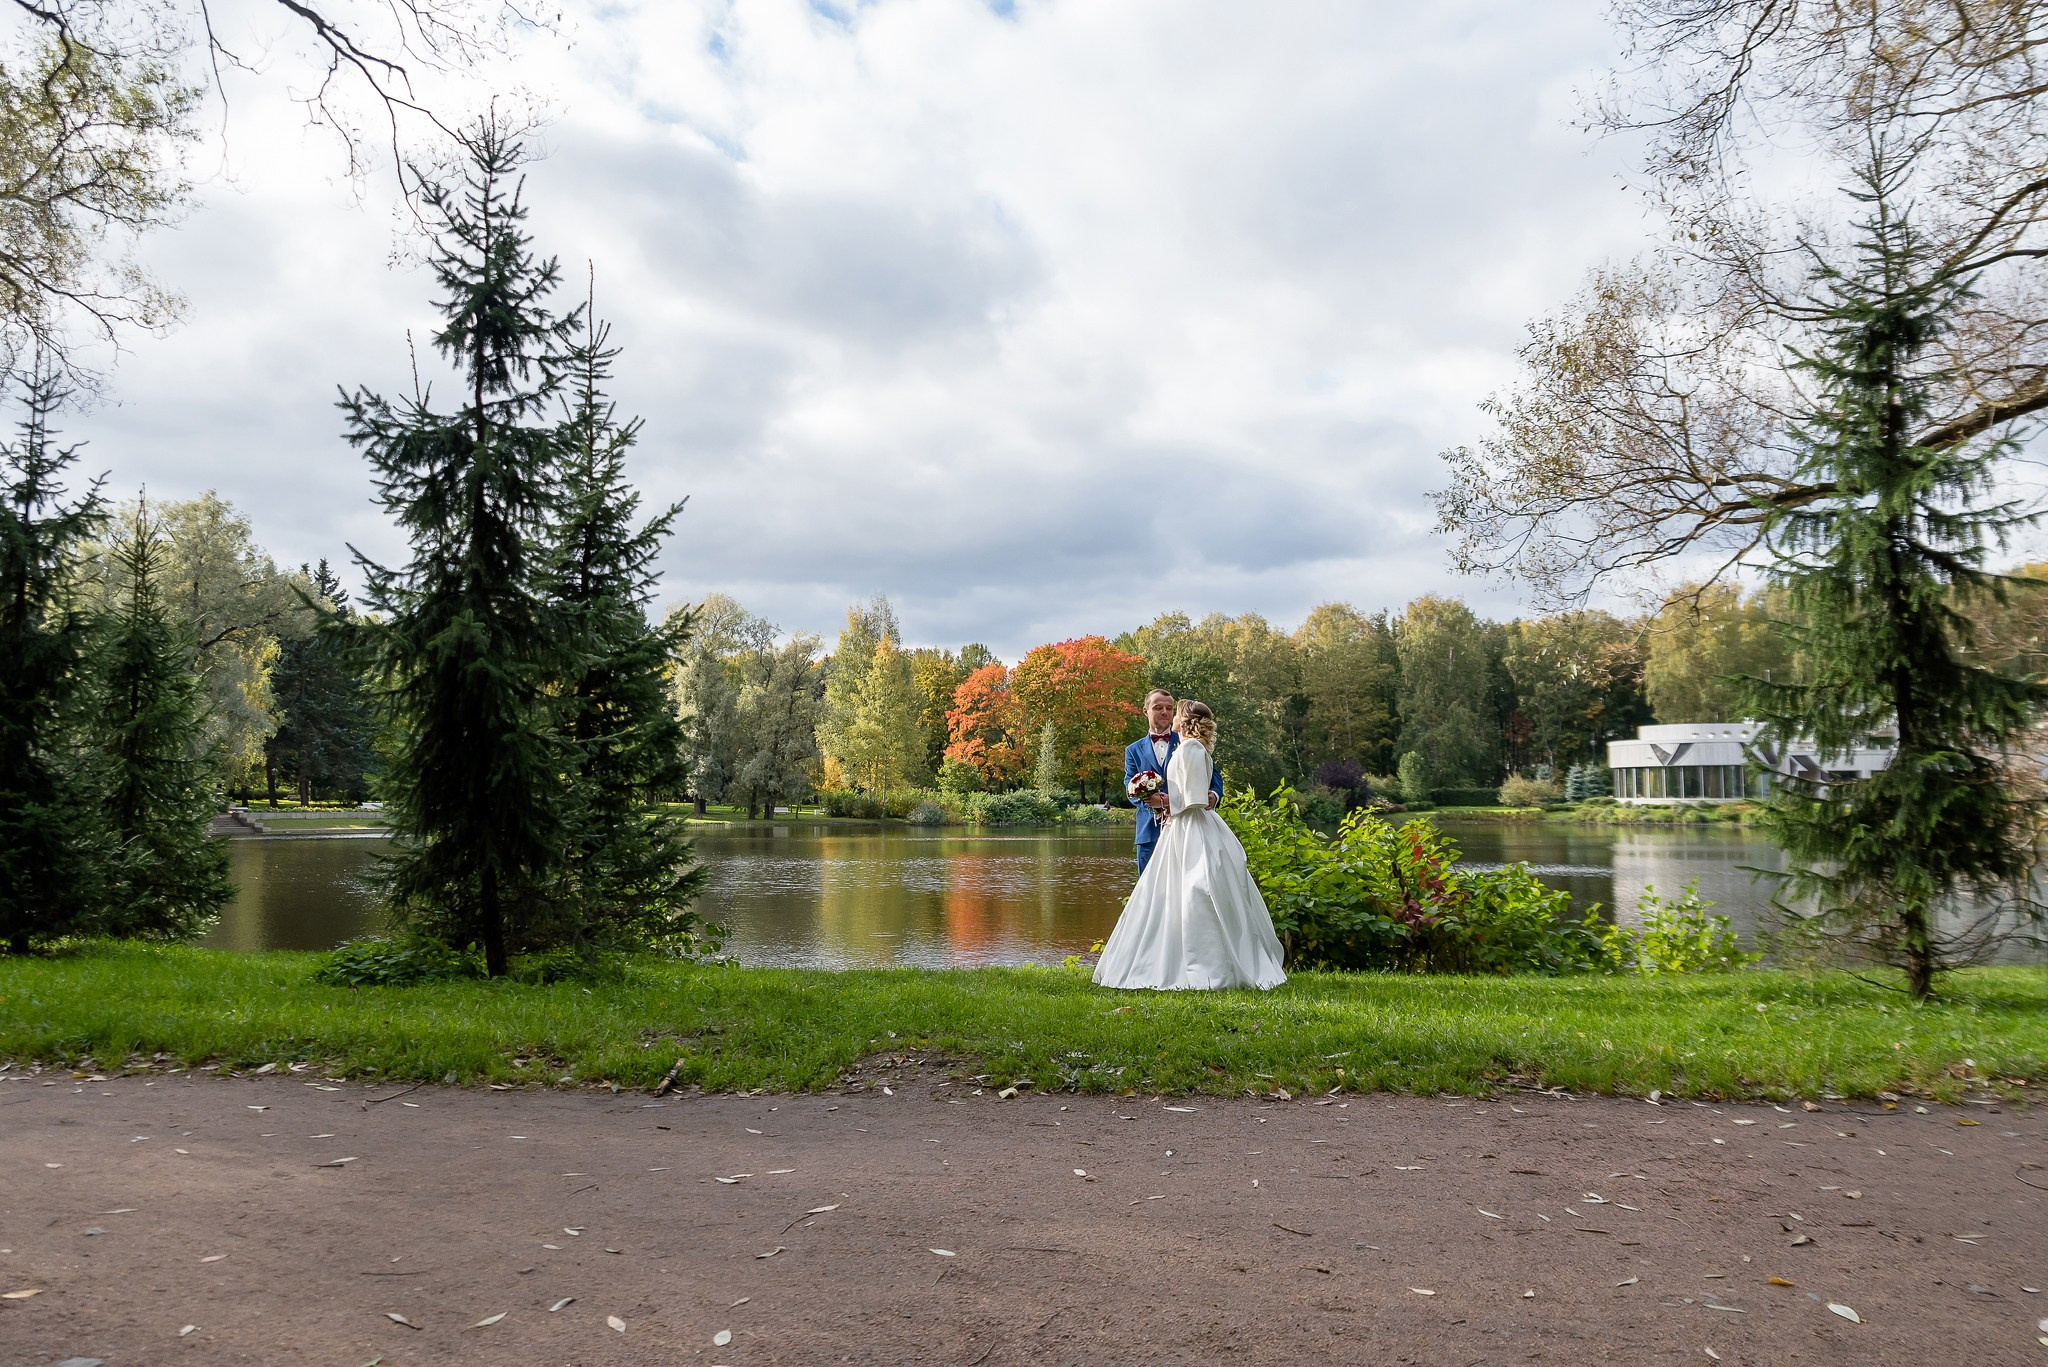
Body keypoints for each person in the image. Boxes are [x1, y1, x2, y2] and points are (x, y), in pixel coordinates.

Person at [1094, 700, 1287, 991]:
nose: (1169, 715)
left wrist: (1167, 802)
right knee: (1167, 893)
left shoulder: (1191, 749)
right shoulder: (1188, 747)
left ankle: (1207, 968)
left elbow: (1195, 798)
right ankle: (1167, 957)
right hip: (1178, 827)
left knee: (1196, 890)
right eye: (1161, 708)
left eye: (1175, 711)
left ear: (1184, 722)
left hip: (1191, 829)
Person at [1125, 688, 1220, 874]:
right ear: (1145, 711)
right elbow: (1130, 786)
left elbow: (1213, 775)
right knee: (1149, 887)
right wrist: (1152, 803)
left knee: (1188, 882)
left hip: (1187, 828)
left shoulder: (1188, 740)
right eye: (1158, 708)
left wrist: (1214, 795)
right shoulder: (1133, 750)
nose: (1165, 712)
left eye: (1169, 708)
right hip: (1149, 831)